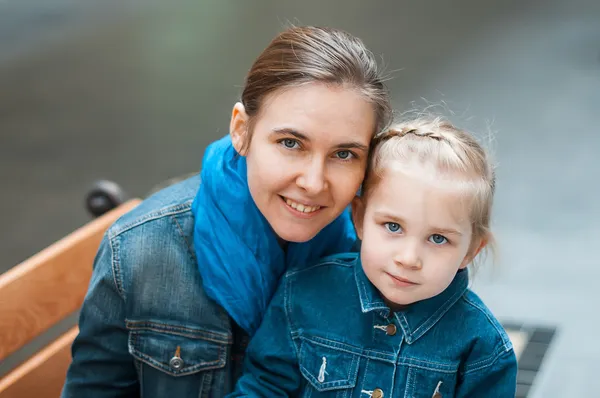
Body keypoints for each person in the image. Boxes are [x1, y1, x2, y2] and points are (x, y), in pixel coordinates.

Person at [61, 26, 392, 398]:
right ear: (241, 130)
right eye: (290, 143)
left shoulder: (386, 261)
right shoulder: (142, 251)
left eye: (344, 154)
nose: (314, 183)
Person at [229, 118, 518, 397]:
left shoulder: (482, 346)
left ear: (470, 251)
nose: (408, 258)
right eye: (393, 227)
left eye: (438, 238)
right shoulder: (303, 294)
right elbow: (263, 387)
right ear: (359, 218)